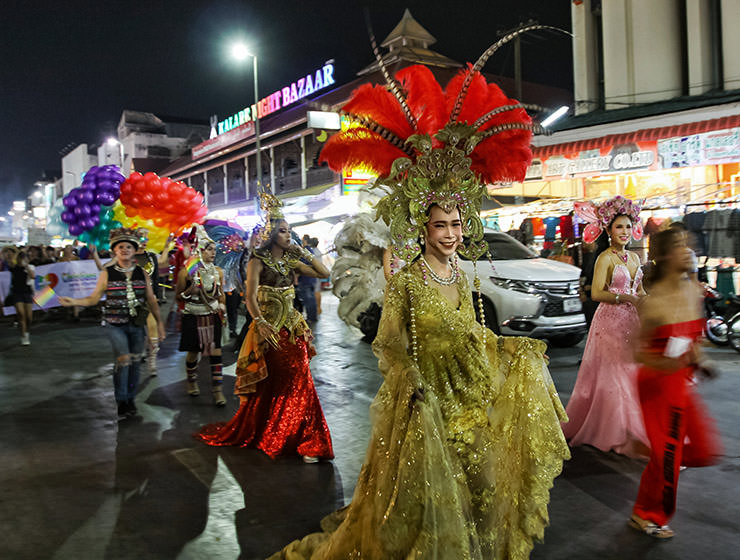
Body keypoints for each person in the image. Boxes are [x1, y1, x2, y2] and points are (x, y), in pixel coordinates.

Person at [271, 61, 568, 559]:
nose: (451, 233)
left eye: (456, 223)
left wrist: (514, 348)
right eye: (440, 226)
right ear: (424, 230)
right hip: (426, 406)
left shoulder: (463, 274)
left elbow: (474, 334)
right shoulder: (408, 280)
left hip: (469, 396)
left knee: (481, 481)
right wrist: (413, 386)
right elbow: (390, 346)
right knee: (426, 501)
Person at [196, 195, 334, 463]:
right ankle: (276, 432)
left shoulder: (291, 261)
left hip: (293, 329)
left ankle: (307, 439)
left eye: (289, 231)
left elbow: (322, 273)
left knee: (300, 378)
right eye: (282, 231)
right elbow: (248, 297)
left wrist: (302, 251)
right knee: (274, 384)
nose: (287, 235)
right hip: (269, 330)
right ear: (271, 233)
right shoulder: (256, 261)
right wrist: (260, 323)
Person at [629, 228, 722, 538]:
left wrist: (700, 361)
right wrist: (668, 363)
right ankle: (649, 515)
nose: (690, 252)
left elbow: (691, 340)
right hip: (656, 385)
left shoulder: (694, 291)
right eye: (682, 246)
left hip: (681, 381)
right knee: (669, 456)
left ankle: (650, 449)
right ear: (666, 255)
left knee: (704, 450)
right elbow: (638, 354)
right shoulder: (652, 304)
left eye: (690, 246)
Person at [564, 197, 649, 457]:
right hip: (609, 321)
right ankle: (614, 429)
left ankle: (630, 427)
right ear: (608, 230)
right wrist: (624, 298)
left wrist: (648, 302)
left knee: (632, 373)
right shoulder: (605, 258)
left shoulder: (634, 257)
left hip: (631, 321)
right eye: (618, 227)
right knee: (614, 375)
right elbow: (597, 293)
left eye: (627, 226)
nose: (624, 232)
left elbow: (640, 290)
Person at [59, 228, 165, 420]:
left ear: (134, 251)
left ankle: (130, 399)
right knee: (123, 359)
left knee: (134, 363)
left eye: (128, 247)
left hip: (136, 324)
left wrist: (160, 325)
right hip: (115, 324)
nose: (124, 249)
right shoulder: (107, 273)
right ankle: (121, 400)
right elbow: (93, 299)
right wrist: (73, 301)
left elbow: (151, 300)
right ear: (114, 250)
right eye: (120, 247)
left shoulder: (143, 273)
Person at [176, 227, 227, 406]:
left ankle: (217, 391)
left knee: (216, 353)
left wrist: (222, 307)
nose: (213, 253)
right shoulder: (187, 272)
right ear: (200, 250)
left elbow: (220, 293)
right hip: (193, 315)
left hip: (212, 315)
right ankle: (191, 381)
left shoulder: (218, 272)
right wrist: (190, 290)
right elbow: (178, 296)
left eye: (214, 249)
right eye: (209, 249)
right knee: (193, 352)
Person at [134, 229, 173, 376]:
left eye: (145, 238)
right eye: (140, 238)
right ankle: (140, 353)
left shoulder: (151, 256)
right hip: (133, 300)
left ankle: (152, 362)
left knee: (153, 331)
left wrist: (167, 245)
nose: (143, 241)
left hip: (150, 300)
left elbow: (162, 261)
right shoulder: (128, 257)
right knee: (137, 330)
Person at [6, 250, 35, 345]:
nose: (22, 260)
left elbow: (33, 276)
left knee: (29, 317)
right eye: (21, 258)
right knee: (21, 314)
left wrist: (26, 266)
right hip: (17, 293)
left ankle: (27, 331)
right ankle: (24, 335)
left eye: (24, 258)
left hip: (27, 293)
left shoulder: (30, 267)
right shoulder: (14, 267)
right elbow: (9, 260)